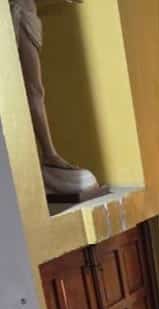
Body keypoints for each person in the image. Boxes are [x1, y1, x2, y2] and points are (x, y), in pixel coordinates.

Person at [10, 0, 99, 196]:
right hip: (15, 14)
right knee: (23, 92)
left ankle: (49, 160)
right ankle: (46, 159)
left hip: (25, 15)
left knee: (35, 90)